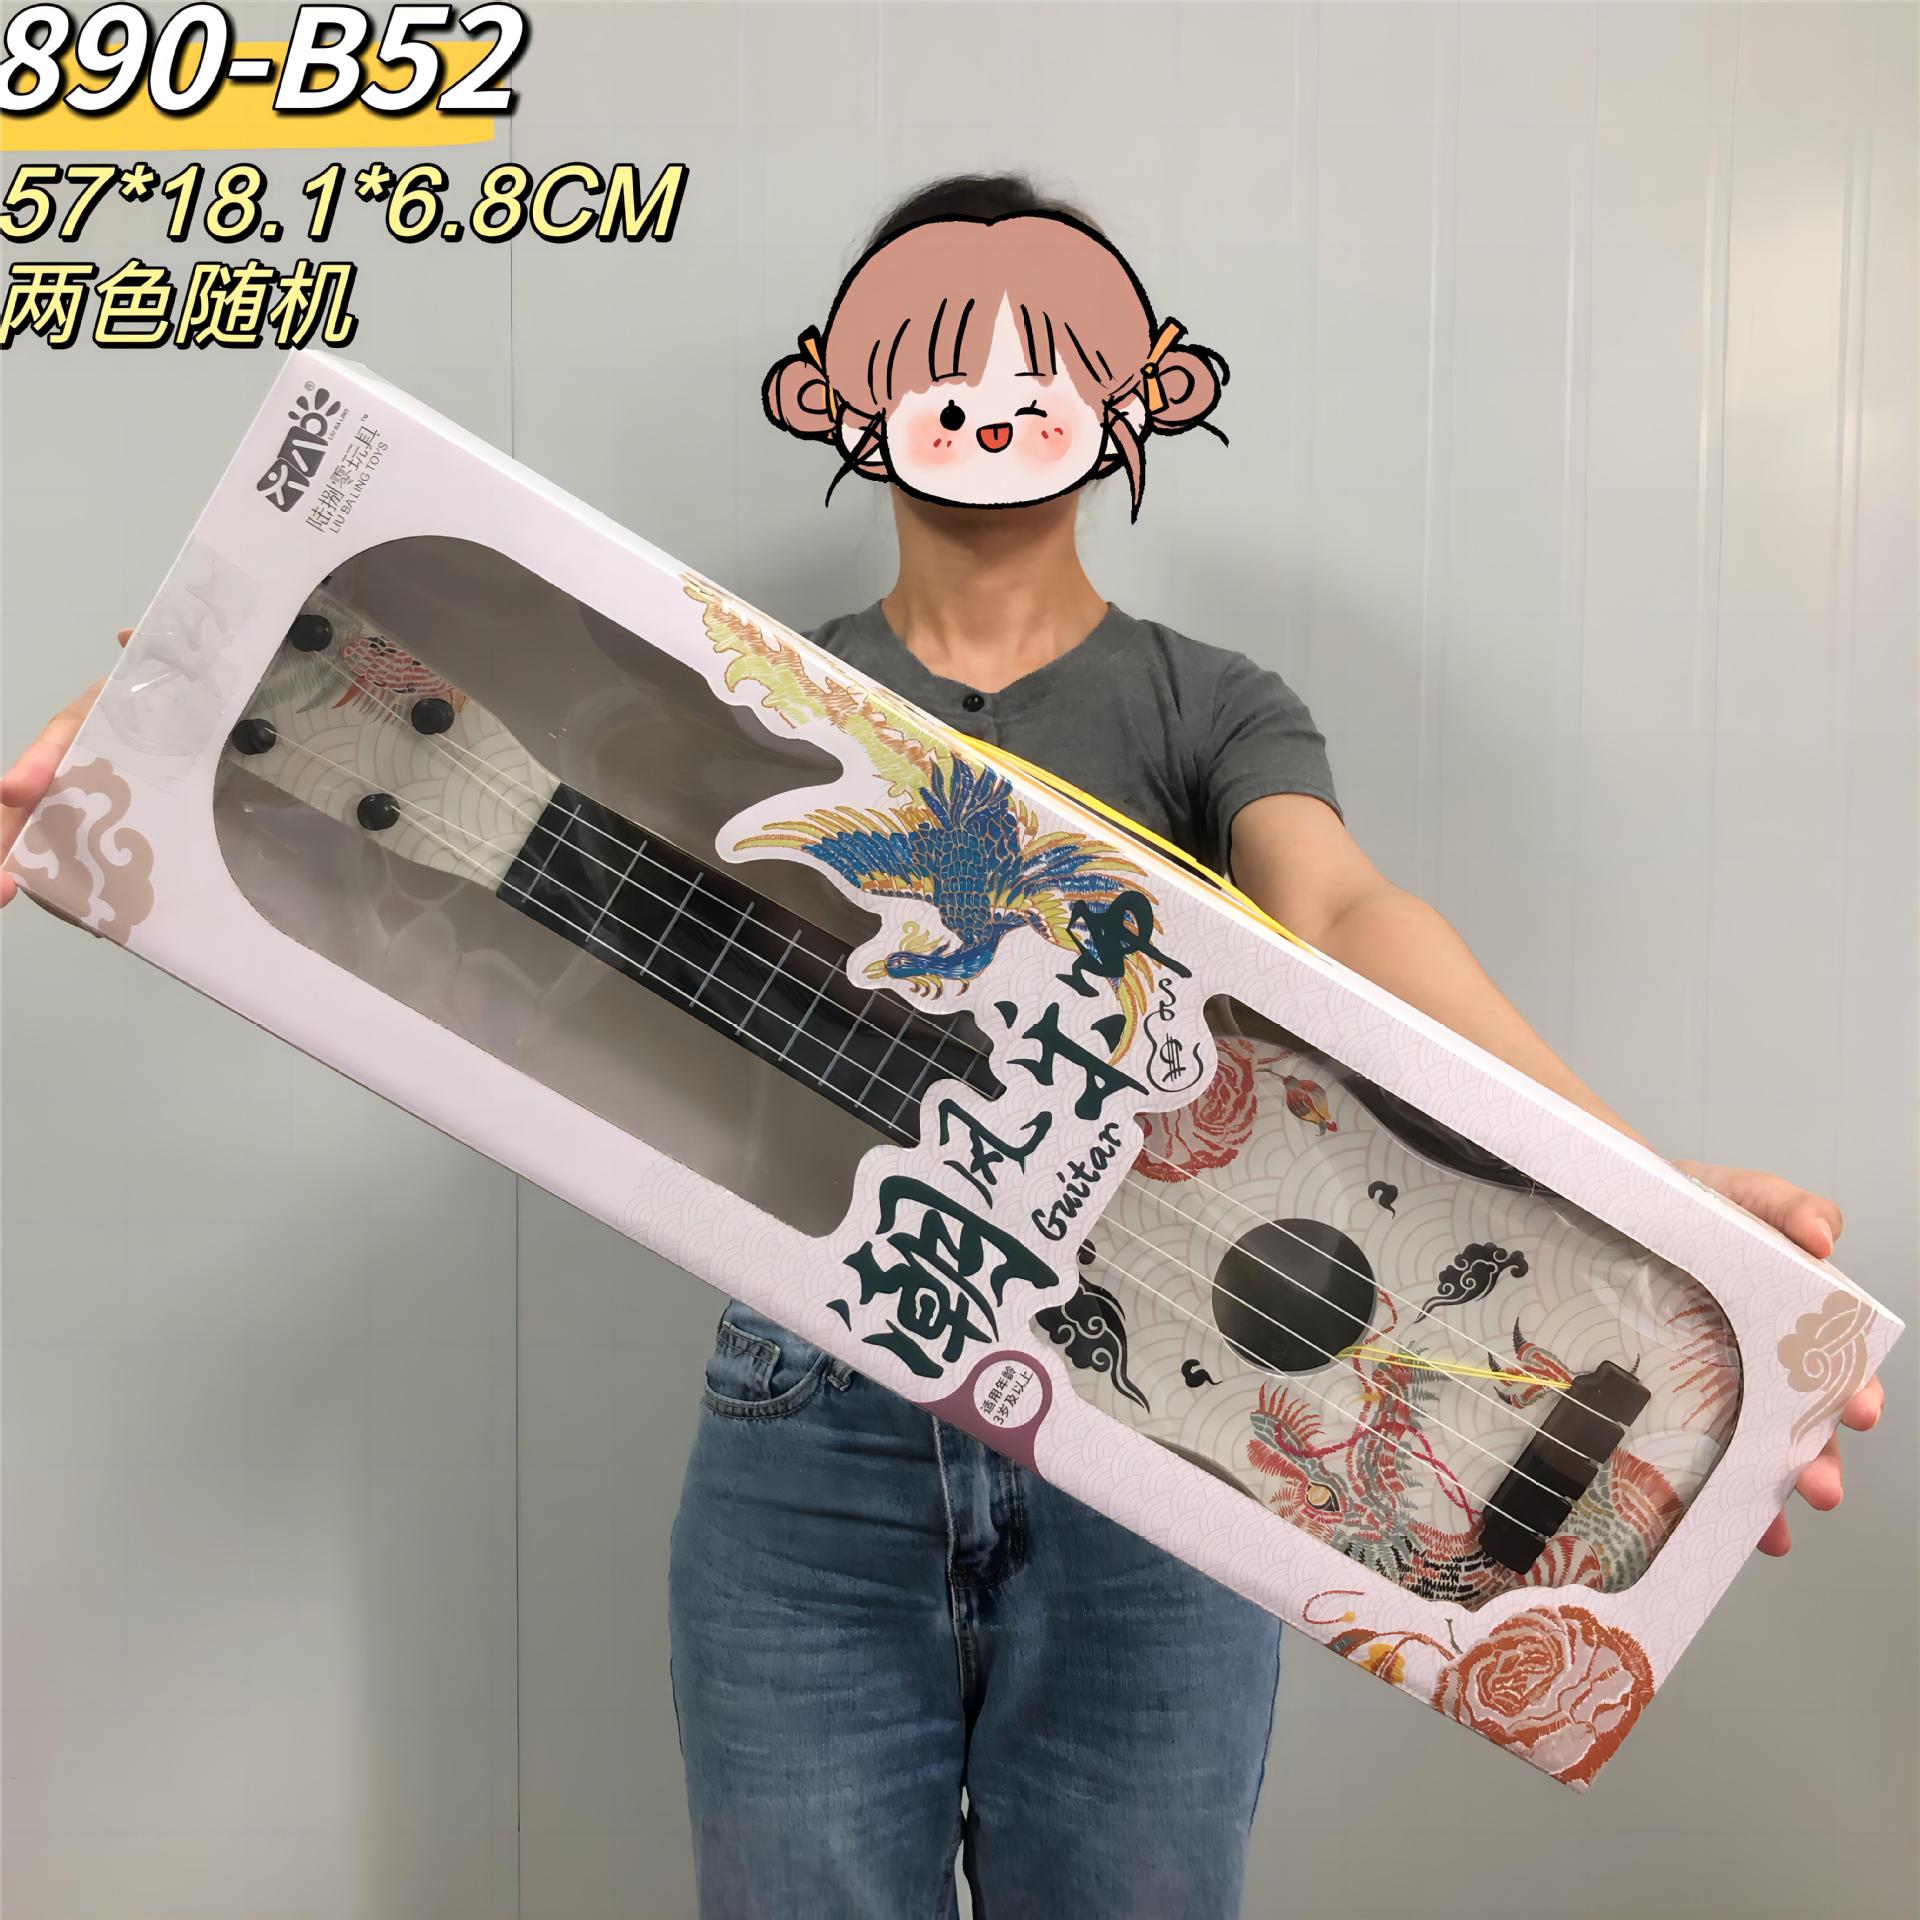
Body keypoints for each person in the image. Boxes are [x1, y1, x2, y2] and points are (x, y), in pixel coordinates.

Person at [1, 174, 1884, 1920]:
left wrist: (1639, 1196)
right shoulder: (762, 684)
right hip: (812, 1432)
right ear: (837, 400)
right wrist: (183, 706)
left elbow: (1342, 913)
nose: (991, 401)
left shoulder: (1203, 701)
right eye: (933, 364)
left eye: (1046, 360)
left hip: (1175, 1486)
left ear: (1140, 395)